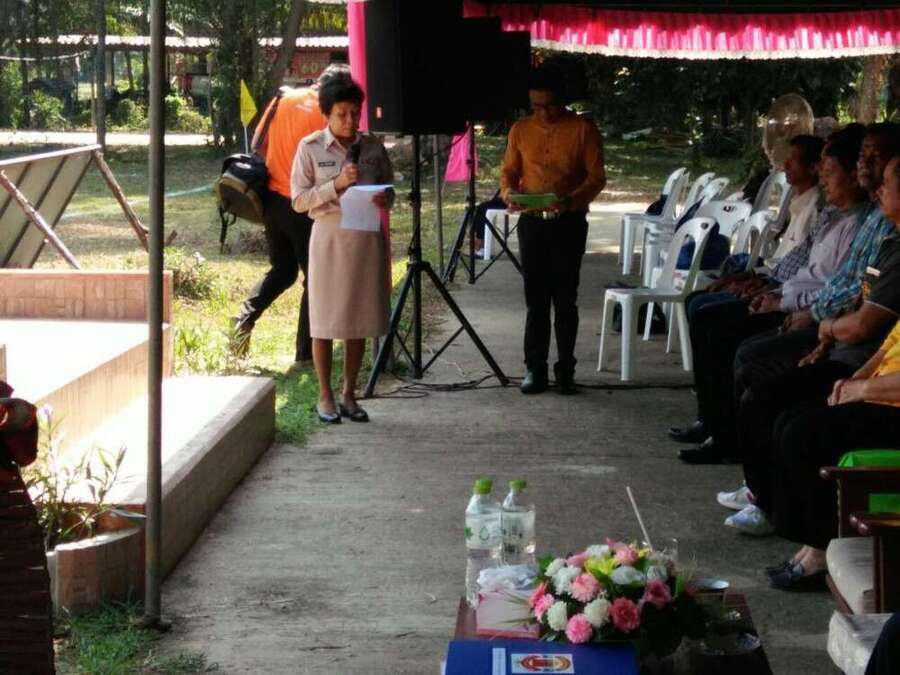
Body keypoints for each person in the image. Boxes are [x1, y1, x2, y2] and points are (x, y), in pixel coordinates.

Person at [733, 155, 900, 571]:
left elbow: (865, 328)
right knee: (790, 415)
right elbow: (891, 344)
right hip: (874, 375)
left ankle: (819, 547)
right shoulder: (891, 242)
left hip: (890, 396)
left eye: (888, 182)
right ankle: (796, 529)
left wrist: (860, 386)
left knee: (804, 430)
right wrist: (859, 378)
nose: (878, 189)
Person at [677, 129, 869, 464]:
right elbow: (800, 268)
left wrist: (782, 301)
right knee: (703, 310)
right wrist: (769, 288)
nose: (823, 178)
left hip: (808, 315)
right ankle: (712, 422)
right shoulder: (831, 215)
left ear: (853, 176)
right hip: (788, 298)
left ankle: (727, 437)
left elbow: (836, 291)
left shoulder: (858, 225)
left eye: (829, 171)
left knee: (730, 337)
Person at [669, 134, 823, 447]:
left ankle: (722, 428)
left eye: (793, 161)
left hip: (792, 301)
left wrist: (766, 287)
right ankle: (708, 416)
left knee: (711, 318)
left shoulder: (819, 209)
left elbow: (811, 276)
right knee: (697, 301)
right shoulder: (803, 204)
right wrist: (754, 276)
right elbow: (787, 262)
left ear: (814, 168)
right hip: (777, 284)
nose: (786, 167)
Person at [232, 64, 352, 364]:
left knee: (283, 270)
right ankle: (306, 353)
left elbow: (259, 144)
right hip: (304, 205)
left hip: (271, 199)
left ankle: (242, 318)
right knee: (316, 278)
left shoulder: (283, 99)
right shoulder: (327, 113)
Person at [291, 77, 394, 424]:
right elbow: (298, 200)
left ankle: (350, 393)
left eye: (355, 113)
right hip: (330, 236)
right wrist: (336, 184)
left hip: (366, 236)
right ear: (326, 114)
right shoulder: (310, 147)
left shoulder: (373, 146)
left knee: (358, 318)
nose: (350, 121)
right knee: (324, 318)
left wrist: (385, 198)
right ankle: (325, 394)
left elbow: (389, 189)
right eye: (342, 114)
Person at [500, 65, 606, 395]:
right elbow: (508, 172)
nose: (543, 113)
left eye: (549, 105)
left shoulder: (583, 129)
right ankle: (535, 368)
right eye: (536, 106)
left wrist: (571, 201)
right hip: (532, 223)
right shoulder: (520, 129)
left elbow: (597, 177)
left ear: (562, 101)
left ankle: (566, 369)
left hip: (568, 223)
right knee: (535, 300)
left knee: (565, 298)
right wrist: (508, 193)